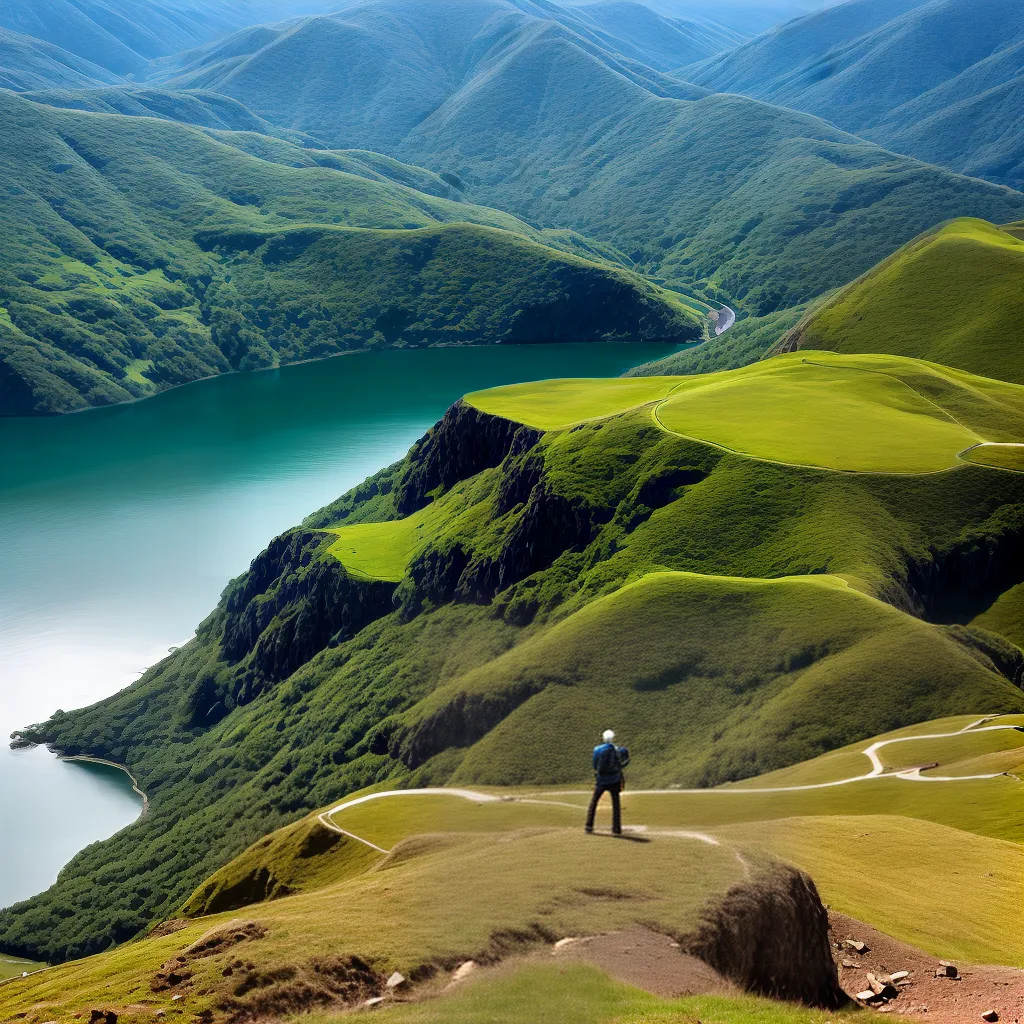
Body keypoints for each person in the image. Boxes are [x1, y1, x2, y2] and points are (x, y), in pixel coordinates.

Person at [585, 729, 630, 835]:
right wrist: (620, 767)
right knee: (616, 804)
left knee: (594, 802)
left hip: (601, 780)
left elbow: (595, 765)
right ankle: (616, 829)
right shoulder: (619, 750)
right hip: (614, 779)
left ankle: (589, 826)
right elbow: (626, 760)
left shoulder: (597, 750)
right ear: (613, 738)